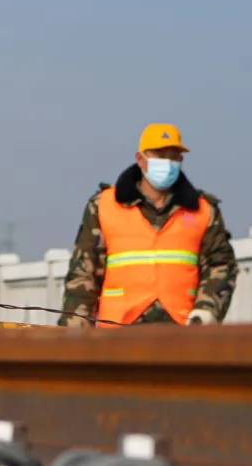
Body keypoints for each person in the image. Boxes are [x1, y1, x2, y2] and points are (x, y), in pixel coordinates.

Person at [60, 123, 238, 327]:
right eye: (160, 155)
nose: (168, 163)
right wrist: (75, 329)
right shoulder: (103, 206)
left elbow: (221, 265)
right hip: (117, 332)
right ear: (141, 160)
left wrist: (207, 311)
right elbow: (83, 273)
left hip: (182, 330)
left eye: (174, 156)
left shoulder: (203, 210)